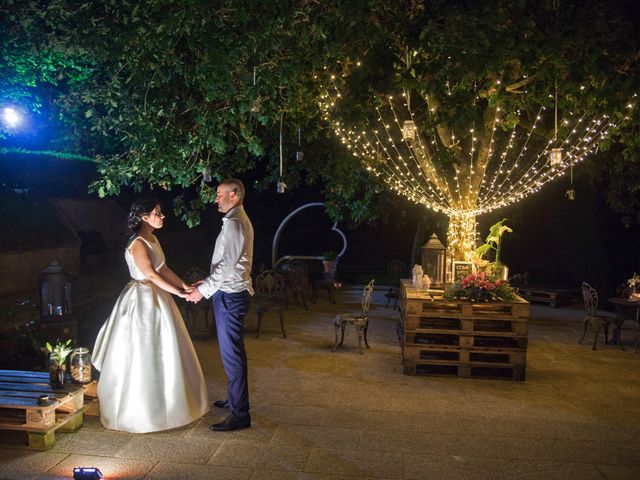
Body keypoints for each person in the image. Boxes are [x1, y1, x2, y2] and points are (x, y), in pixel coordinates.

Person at [92, 197, 209, 433]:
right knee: (141, 350)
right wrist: (178, 293)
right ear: (144, 217)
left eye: (161, 211)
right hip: (142, 298)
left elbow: (163, 268)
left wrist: (184, 286)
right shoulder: (137, 243)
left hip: (158, 297)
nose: (162, 215)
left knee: (166, 349)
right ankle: (139, 410)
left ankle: (170, 404)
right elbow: (152, 275)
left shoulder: (153, 239)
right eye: (157, 212)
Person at [186, 178, 254, 431]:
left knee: (232, 355)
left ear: (234, 195)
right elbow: (229, 264)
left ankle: (240, 414)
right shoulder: (235, 220)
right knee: (232, 353)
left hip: (230, 296)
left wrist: (202, 291)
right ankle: (235, 400)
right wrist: (209, 281)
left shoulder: (235, 223)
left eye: (219, 194)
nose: (215, 199)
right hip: (228, 292)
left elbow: (227, 266)